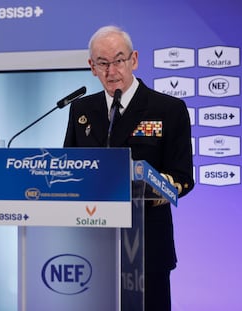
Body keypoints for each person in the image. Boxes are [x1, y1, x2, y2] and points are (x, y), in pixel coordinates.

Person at [63, 25, 194, 310]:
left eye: (119, 60)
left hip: (147, 248)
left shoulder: (168, 109)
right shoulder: (81, 110)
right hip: (92, 248)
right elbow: (69, 169)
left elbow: (184, 177)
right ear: (92, 67)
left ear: (133, 60)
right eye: (103, 63)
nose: (112, 71)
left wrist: (148, 186)